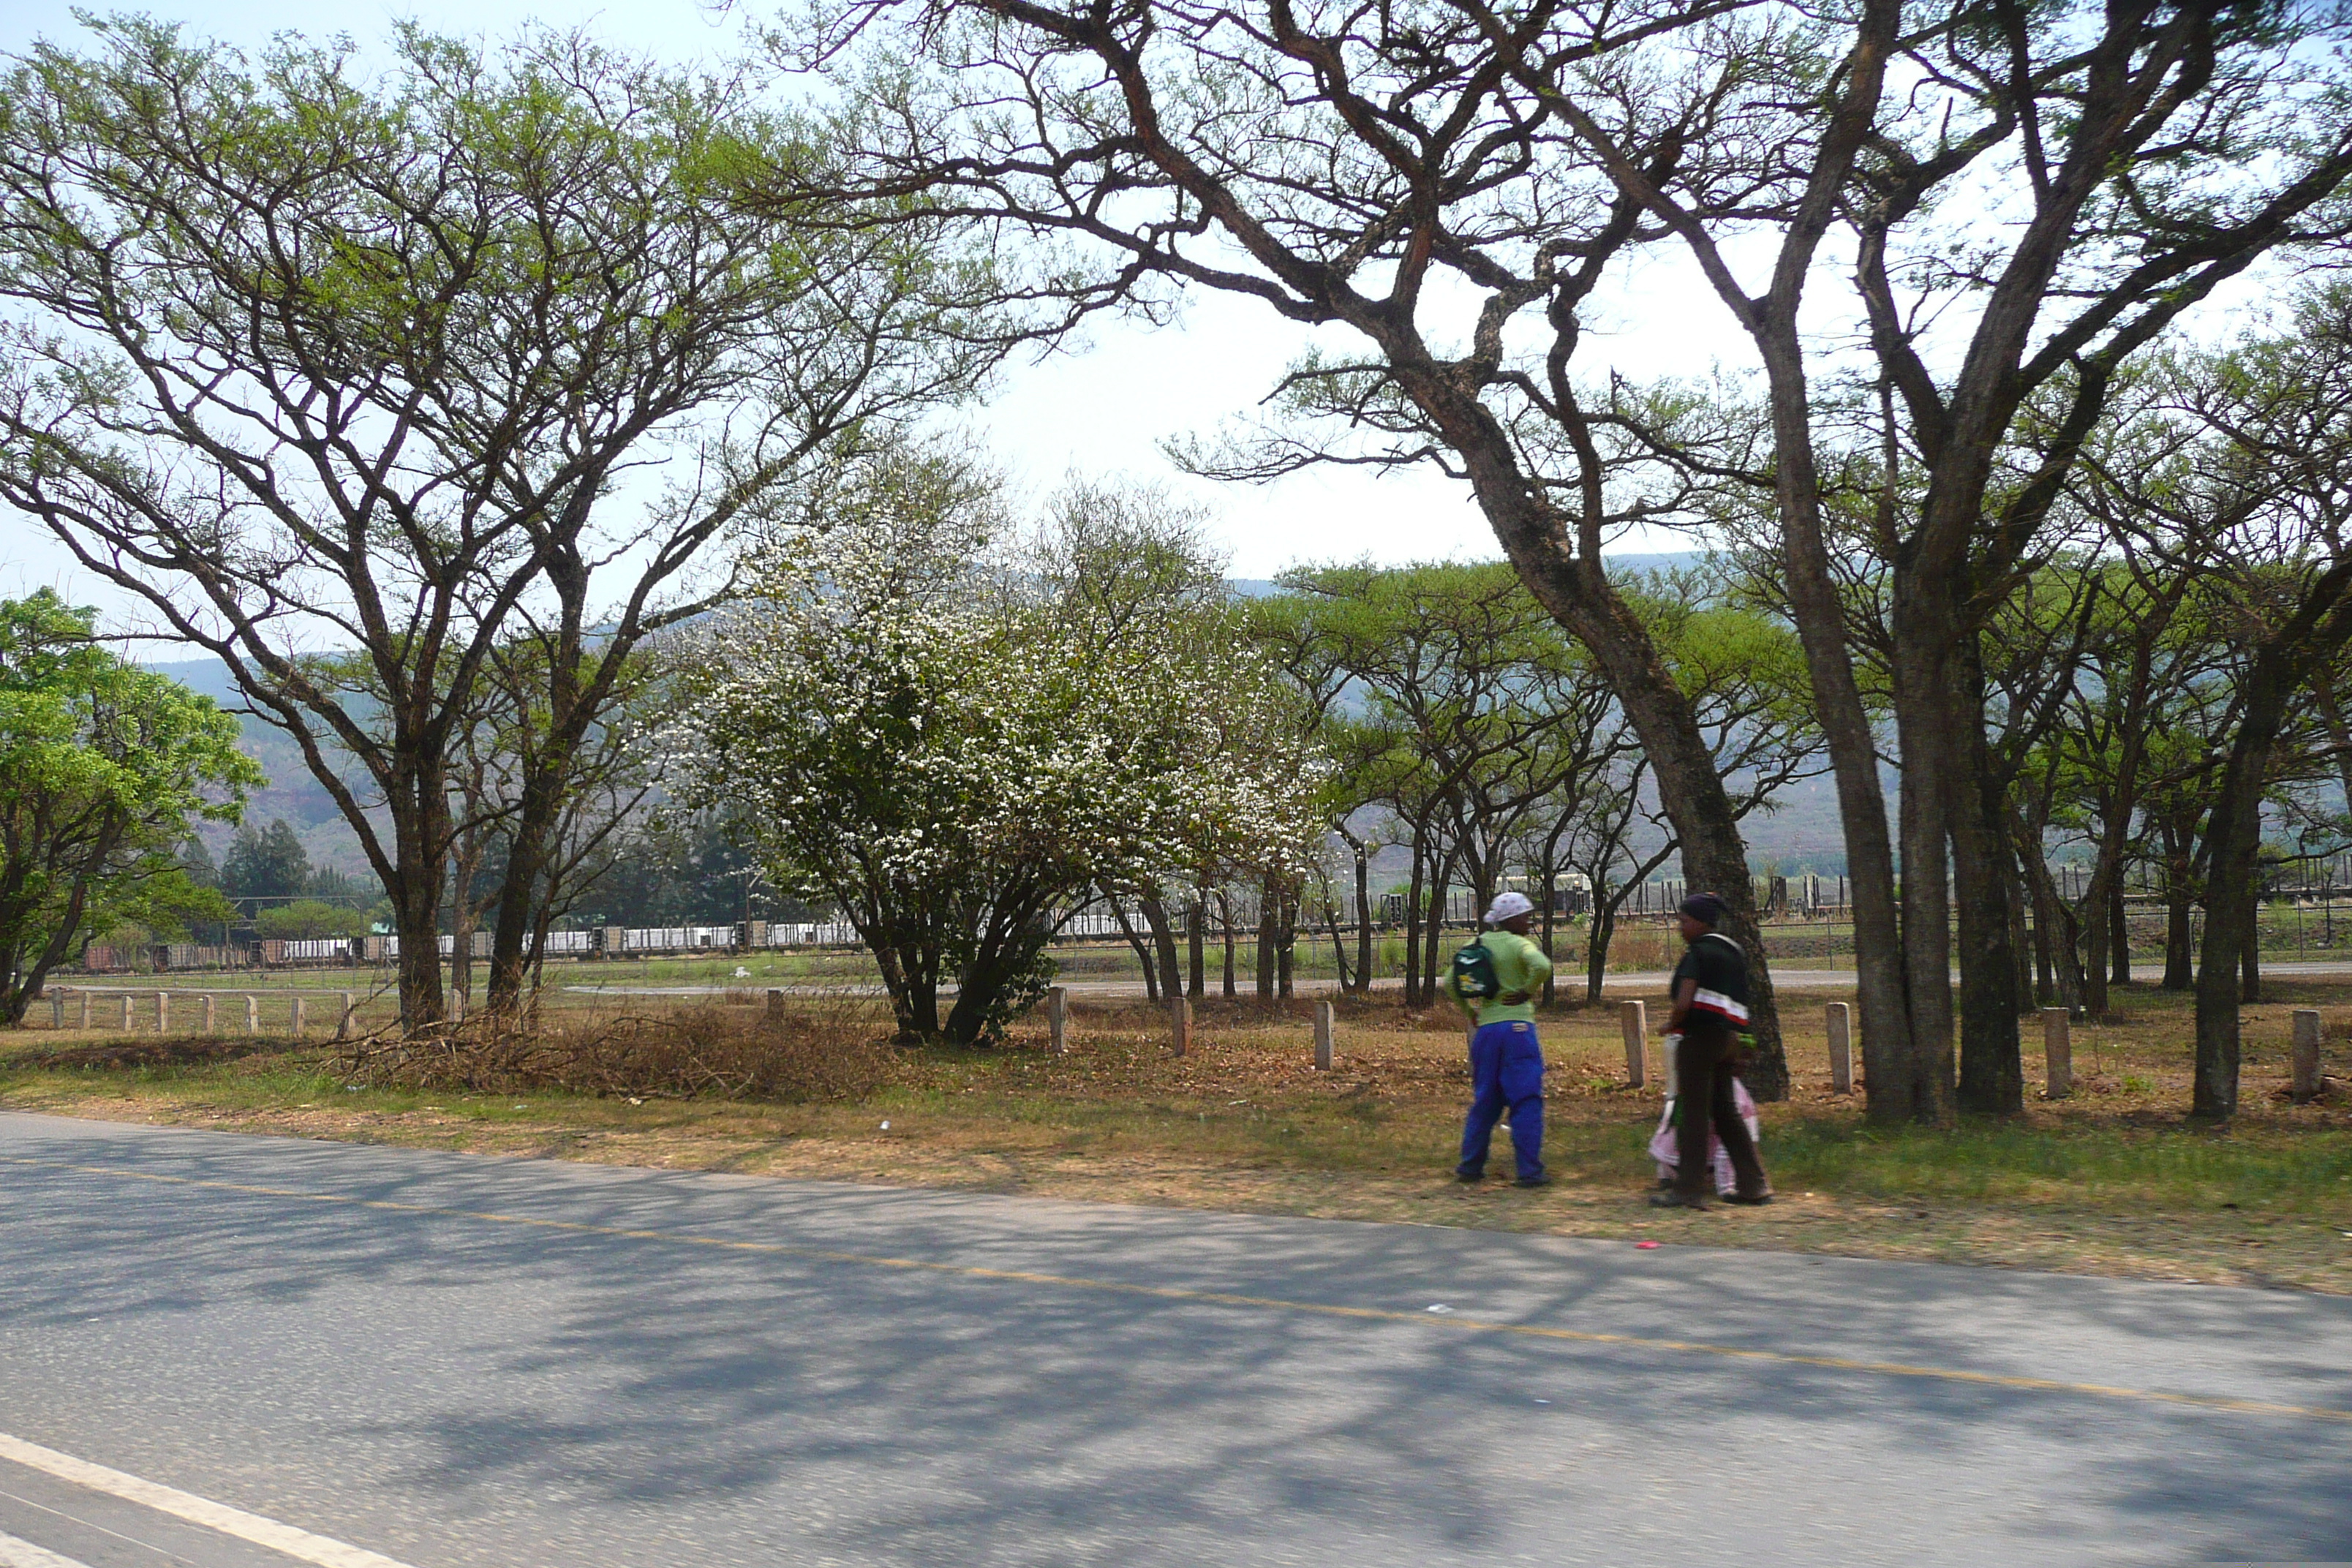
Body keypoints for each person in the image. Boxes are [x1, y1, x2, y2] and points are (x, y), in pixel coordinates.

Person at [1651, 892, 1771, 1209]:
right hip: (1728, 1040)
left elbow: (1685, 1000)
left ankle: (1688, 1190)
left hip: (1699, 1040)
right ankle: (1754, 1186)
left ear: (1702, 923)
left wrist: (1671, 1023)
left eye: (1684, 921)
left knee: (1694, 1115)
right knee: (1727, 1112)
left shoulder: (1698, 953)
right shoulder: (1734, 952)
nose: (1680, 927)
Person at [1450, 890, 1553, 1188]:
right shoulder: (1520, 944)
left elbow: (1450, 982)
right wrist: (1527, 990)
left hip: (1487, 1031)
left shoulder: (1476, 944)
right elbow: (1543, 967)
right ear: (1513, 919)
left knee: (1485, 1102)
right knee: (1525, 1100)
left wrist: (1470, 1010)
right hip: (1518, 1029)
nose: (1529, 922)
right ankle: (1530, 1172)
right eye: (1526, 916)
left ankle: (1470, 1167)